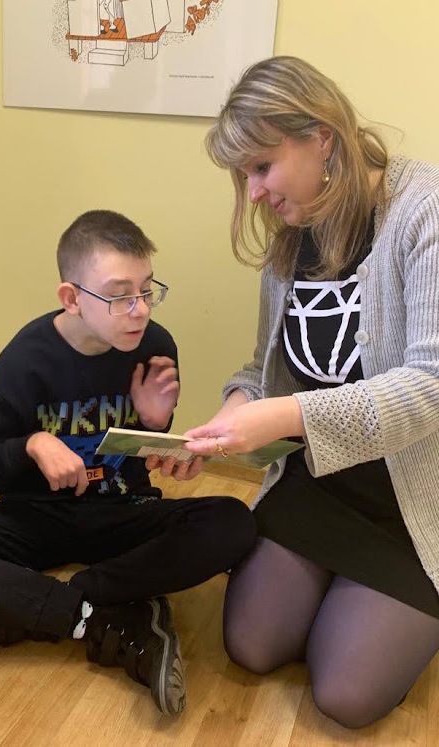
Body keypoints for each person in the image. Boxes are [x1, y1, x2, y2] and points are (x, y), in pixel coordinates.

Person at [150, 55, 439, 728]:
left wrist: (284, 414)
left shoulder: (423, 211)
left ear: (321, 139)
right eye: (243, 175)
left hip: (409, 499)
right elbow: (264, 369)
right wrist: (231, 415)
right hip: (317, 482)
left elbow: (429, 386)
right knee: (252, 645)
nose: (253, 193)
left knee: (346, 695)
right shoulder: (292, 241)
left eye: (261, 166)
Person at [0, 209, 256, 716]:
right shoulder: (25, 359)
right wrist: (31, 445)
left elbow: (141, 454)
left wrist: (156, 428)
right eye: (120, 295)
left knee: (233, 521)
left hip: (122, 512)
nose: (139, 310)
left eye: (147, 290)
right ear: (72, 298)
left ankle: (25, 608)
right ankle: (108, 617)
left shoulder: (155, 346)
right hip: (36, 519)